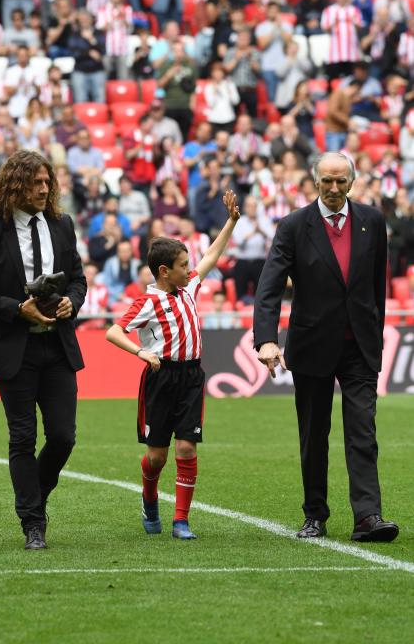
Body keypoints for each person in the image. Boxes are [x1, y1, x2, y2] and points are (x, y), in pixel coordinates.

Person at [253, 151, 399, 543]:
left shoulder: (372, 220)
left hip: (359, 349)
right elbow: (269, 287)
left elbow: (375, 290)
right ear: (314, 181)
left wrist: (376, 336)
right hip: (312, 346)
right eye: (326, 181)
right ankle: (314, 515)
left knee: (362, 434)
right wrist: (266, 339)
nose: (333, 189)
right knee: (314, 436)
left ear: (351, 182)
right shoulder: (293, 226)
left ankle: (368, 516)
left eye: (340, 181)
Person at [0, 150, 87, 551]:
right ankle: (33, 523)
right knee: (22, 438)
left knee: (64, 436)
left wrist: (72, 302)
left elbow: (79, 280)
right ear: (15, 185)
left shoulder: (62, 226)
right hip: (15, 349)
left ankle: (34, 495)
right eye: (36, 183)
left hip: (58, 346)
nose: (44, 189)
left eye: (47, 182)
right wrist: (17, 308)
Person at [105, 189, 240, 540]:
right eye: (183, 265)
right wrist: (141, 352)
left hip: (191, 376)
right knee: (157, 457)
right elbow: (113, 331)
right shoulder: (149, 301)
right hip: (160, 378)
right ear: (165, 271)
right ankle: (150, 498)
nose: (189, 270)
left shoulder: (189, 286)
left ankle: (181, 520)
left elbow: (211, 255)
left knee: (186, 447)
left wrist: (231, 222)